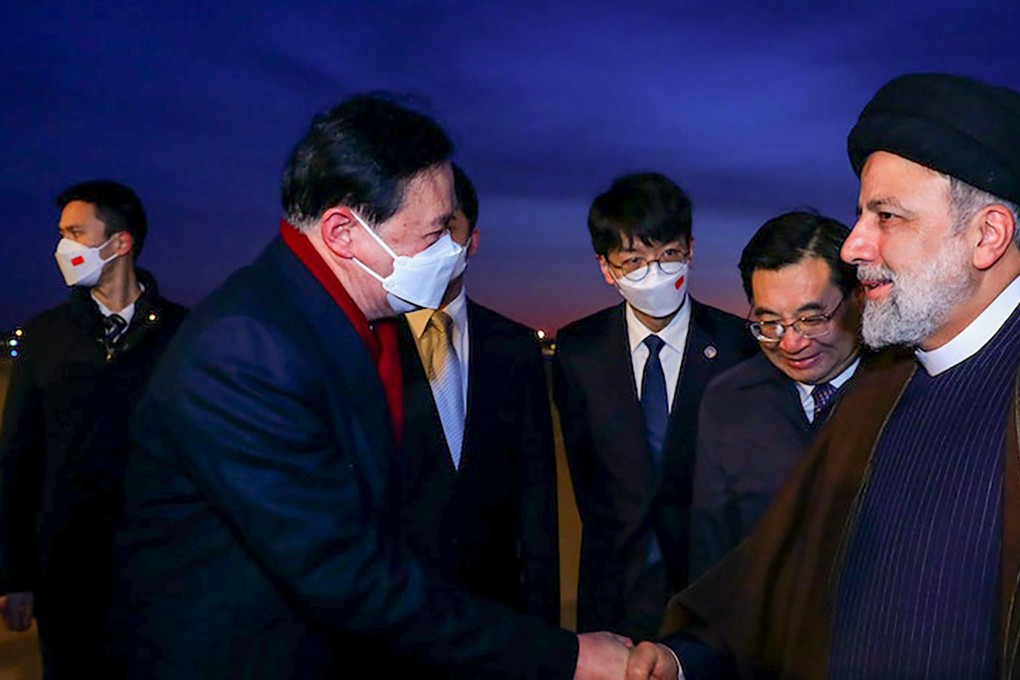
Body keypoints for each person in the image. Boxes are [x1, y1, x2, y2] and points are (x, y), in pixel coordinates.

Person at [107, 94, 628, 679]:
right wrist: (567, 657)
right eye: (434, 234)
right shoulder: (248, 352)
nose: (454, 251)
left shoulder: (339, 321)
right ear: (343, 233)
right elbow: (346, 573)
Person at [626, 73, 1020, 680]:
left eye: (885, 216)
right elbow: (783, 570)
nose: (854, 245)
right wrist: (683, 657)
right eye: (861, 214)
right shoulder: (880, 396)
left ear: (987, 236)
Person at [554, 172, 757, 640]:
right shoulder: (580, 349)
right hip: (615, 586)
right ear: (607, 268)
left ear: (690, 249)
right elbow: (584, 469)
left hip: (710, 583)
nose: (656, 273)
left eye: (668, 255)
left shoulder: (735, 345)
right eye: (635, 261)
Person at [0, 179, 187, 678]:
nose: (62, 247)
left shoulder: (184, 334)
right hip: (66, 572)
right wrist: (14, 575)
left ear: (120, 242)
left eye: (76, 232)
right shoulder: (44, 338)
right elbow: (18, 458)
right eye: (61, 233)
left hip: (161, 569)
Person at [396, 164, 560, 630]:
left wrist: (544, 628)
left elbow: (537, 496)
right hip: (397, 614)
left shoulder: (514, 345)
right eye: (420, 229)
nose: (433, 244)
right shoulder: (372, 343)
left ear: (472, 241)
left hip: (497, 609)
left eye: (447, 227)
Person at [688, 210, 862, 578]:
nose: (792, 342)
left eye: (812, 319)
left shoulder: (908, 387)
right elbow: (712, 549)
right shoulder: (730, 399)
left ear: (858, 297)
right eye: (770, 323)